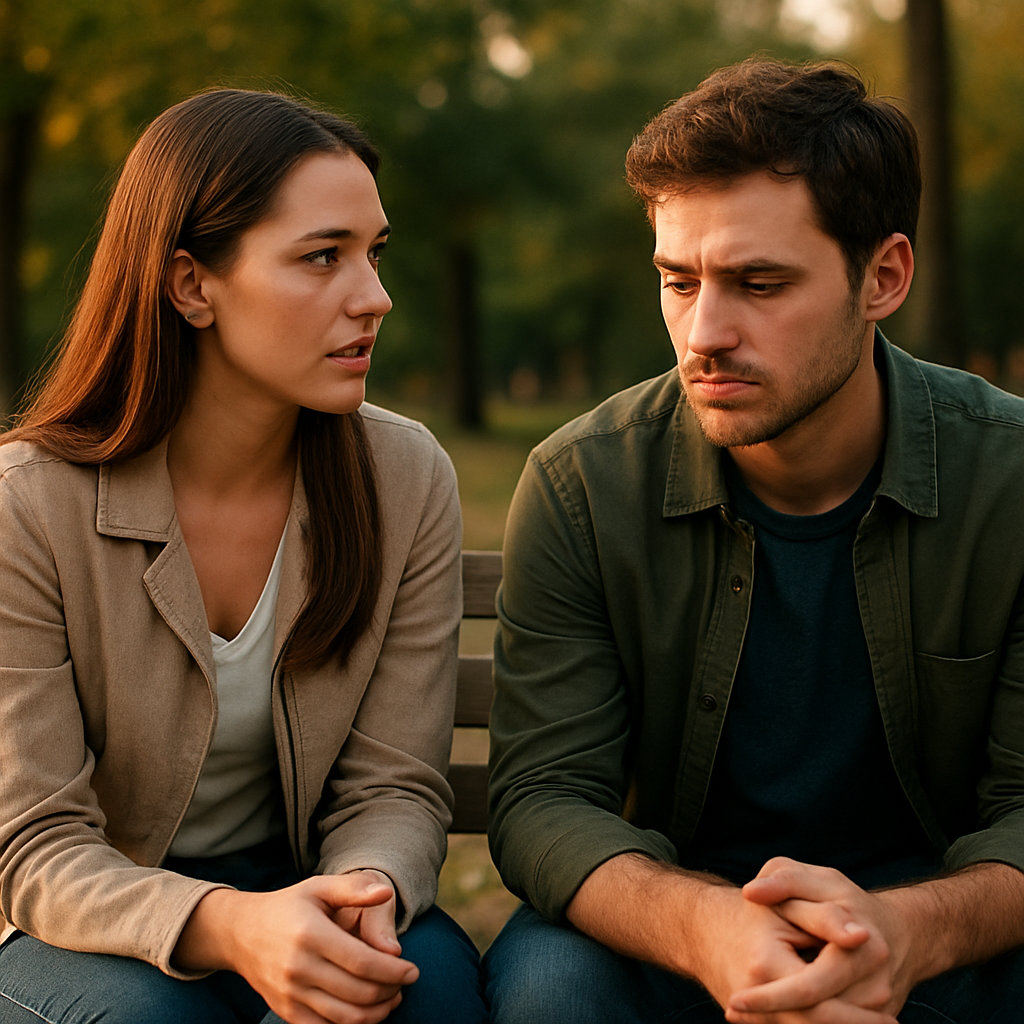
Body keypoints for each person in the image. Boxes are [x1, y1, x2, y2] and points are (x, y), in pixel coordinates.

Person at [483, 58, 1024, 1023]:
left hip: (944, 922)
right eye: (678, 280)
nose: (704, 332)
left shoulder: (1014, 481)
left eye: (758, 283)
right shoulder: (583, 484)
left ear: (884, 276)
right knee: (552, 987)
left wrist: (902, 936)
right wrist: (711, 929)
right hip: (677, 919)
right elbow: (545, 799)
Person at [0, 89, 487, 1024]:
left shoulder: (404, 475)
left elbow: (394, 786)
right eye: (321, 257)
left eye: (373, 254)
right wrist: (235, 928)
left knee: (416, 998)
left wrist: (364, 900)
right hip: (83, 921)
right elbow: (35, 845)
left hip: (319, 885)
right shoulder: (29, 505)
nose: (374, 296)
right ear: (192, 286)